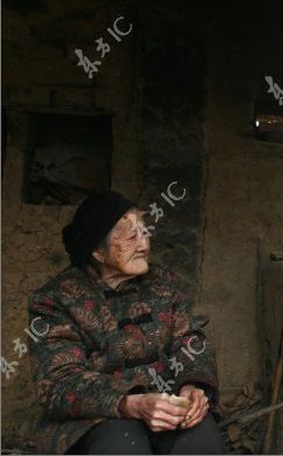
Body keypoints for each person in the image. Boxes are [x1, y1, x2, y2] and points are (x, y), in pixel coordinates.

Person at [27, 191, 226, 454]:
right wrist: (130, 403)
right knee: (122, 444)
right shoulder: (55, 300)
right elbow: (58, 382)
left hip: (166, 407)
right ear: (97, 251)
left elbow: (191, 340)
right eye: (132, 237)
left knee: (202, 438)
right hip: (98, 419)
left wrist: (193, 386)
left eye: (144, 233)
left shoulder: (164, 283)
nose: (144, 245)